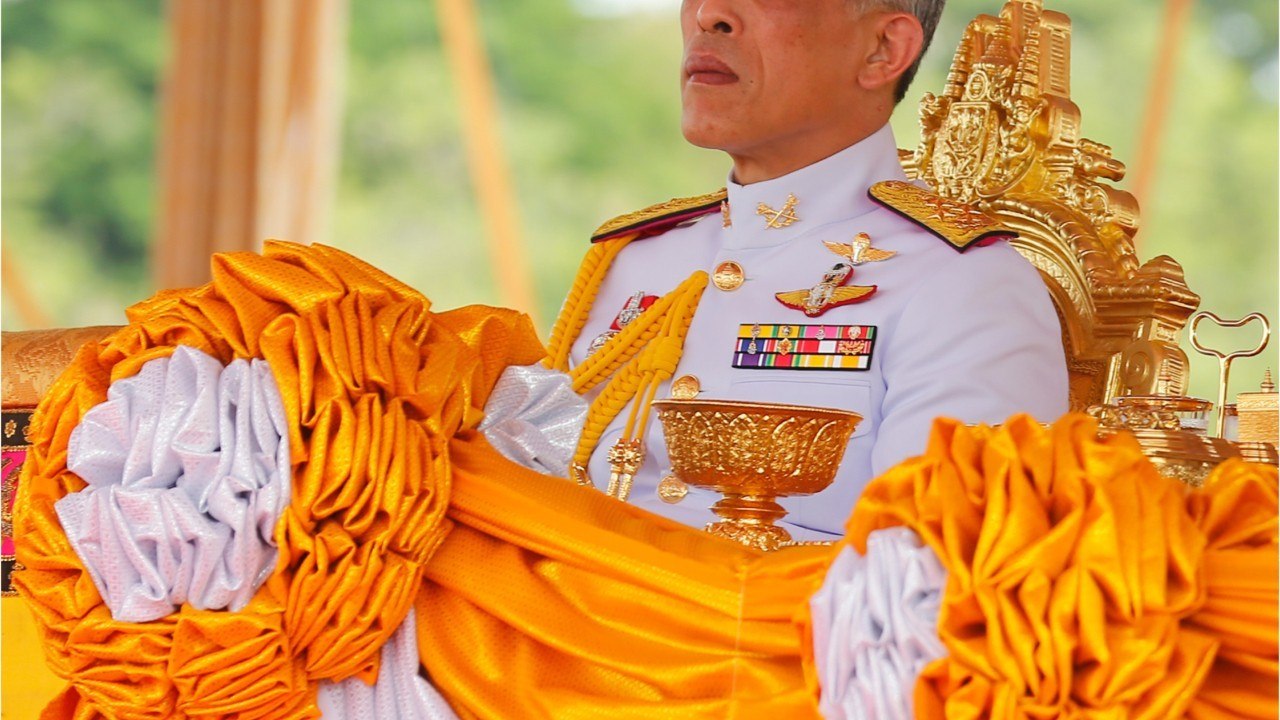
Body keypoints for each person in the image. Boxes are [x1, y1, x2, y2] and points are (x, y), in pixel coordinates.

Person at [544, 0, 1068, 541]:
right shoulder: (633, 258)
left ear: (883, 50)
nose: (708, 14)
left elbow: (927, 583)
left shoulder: (964, 287)